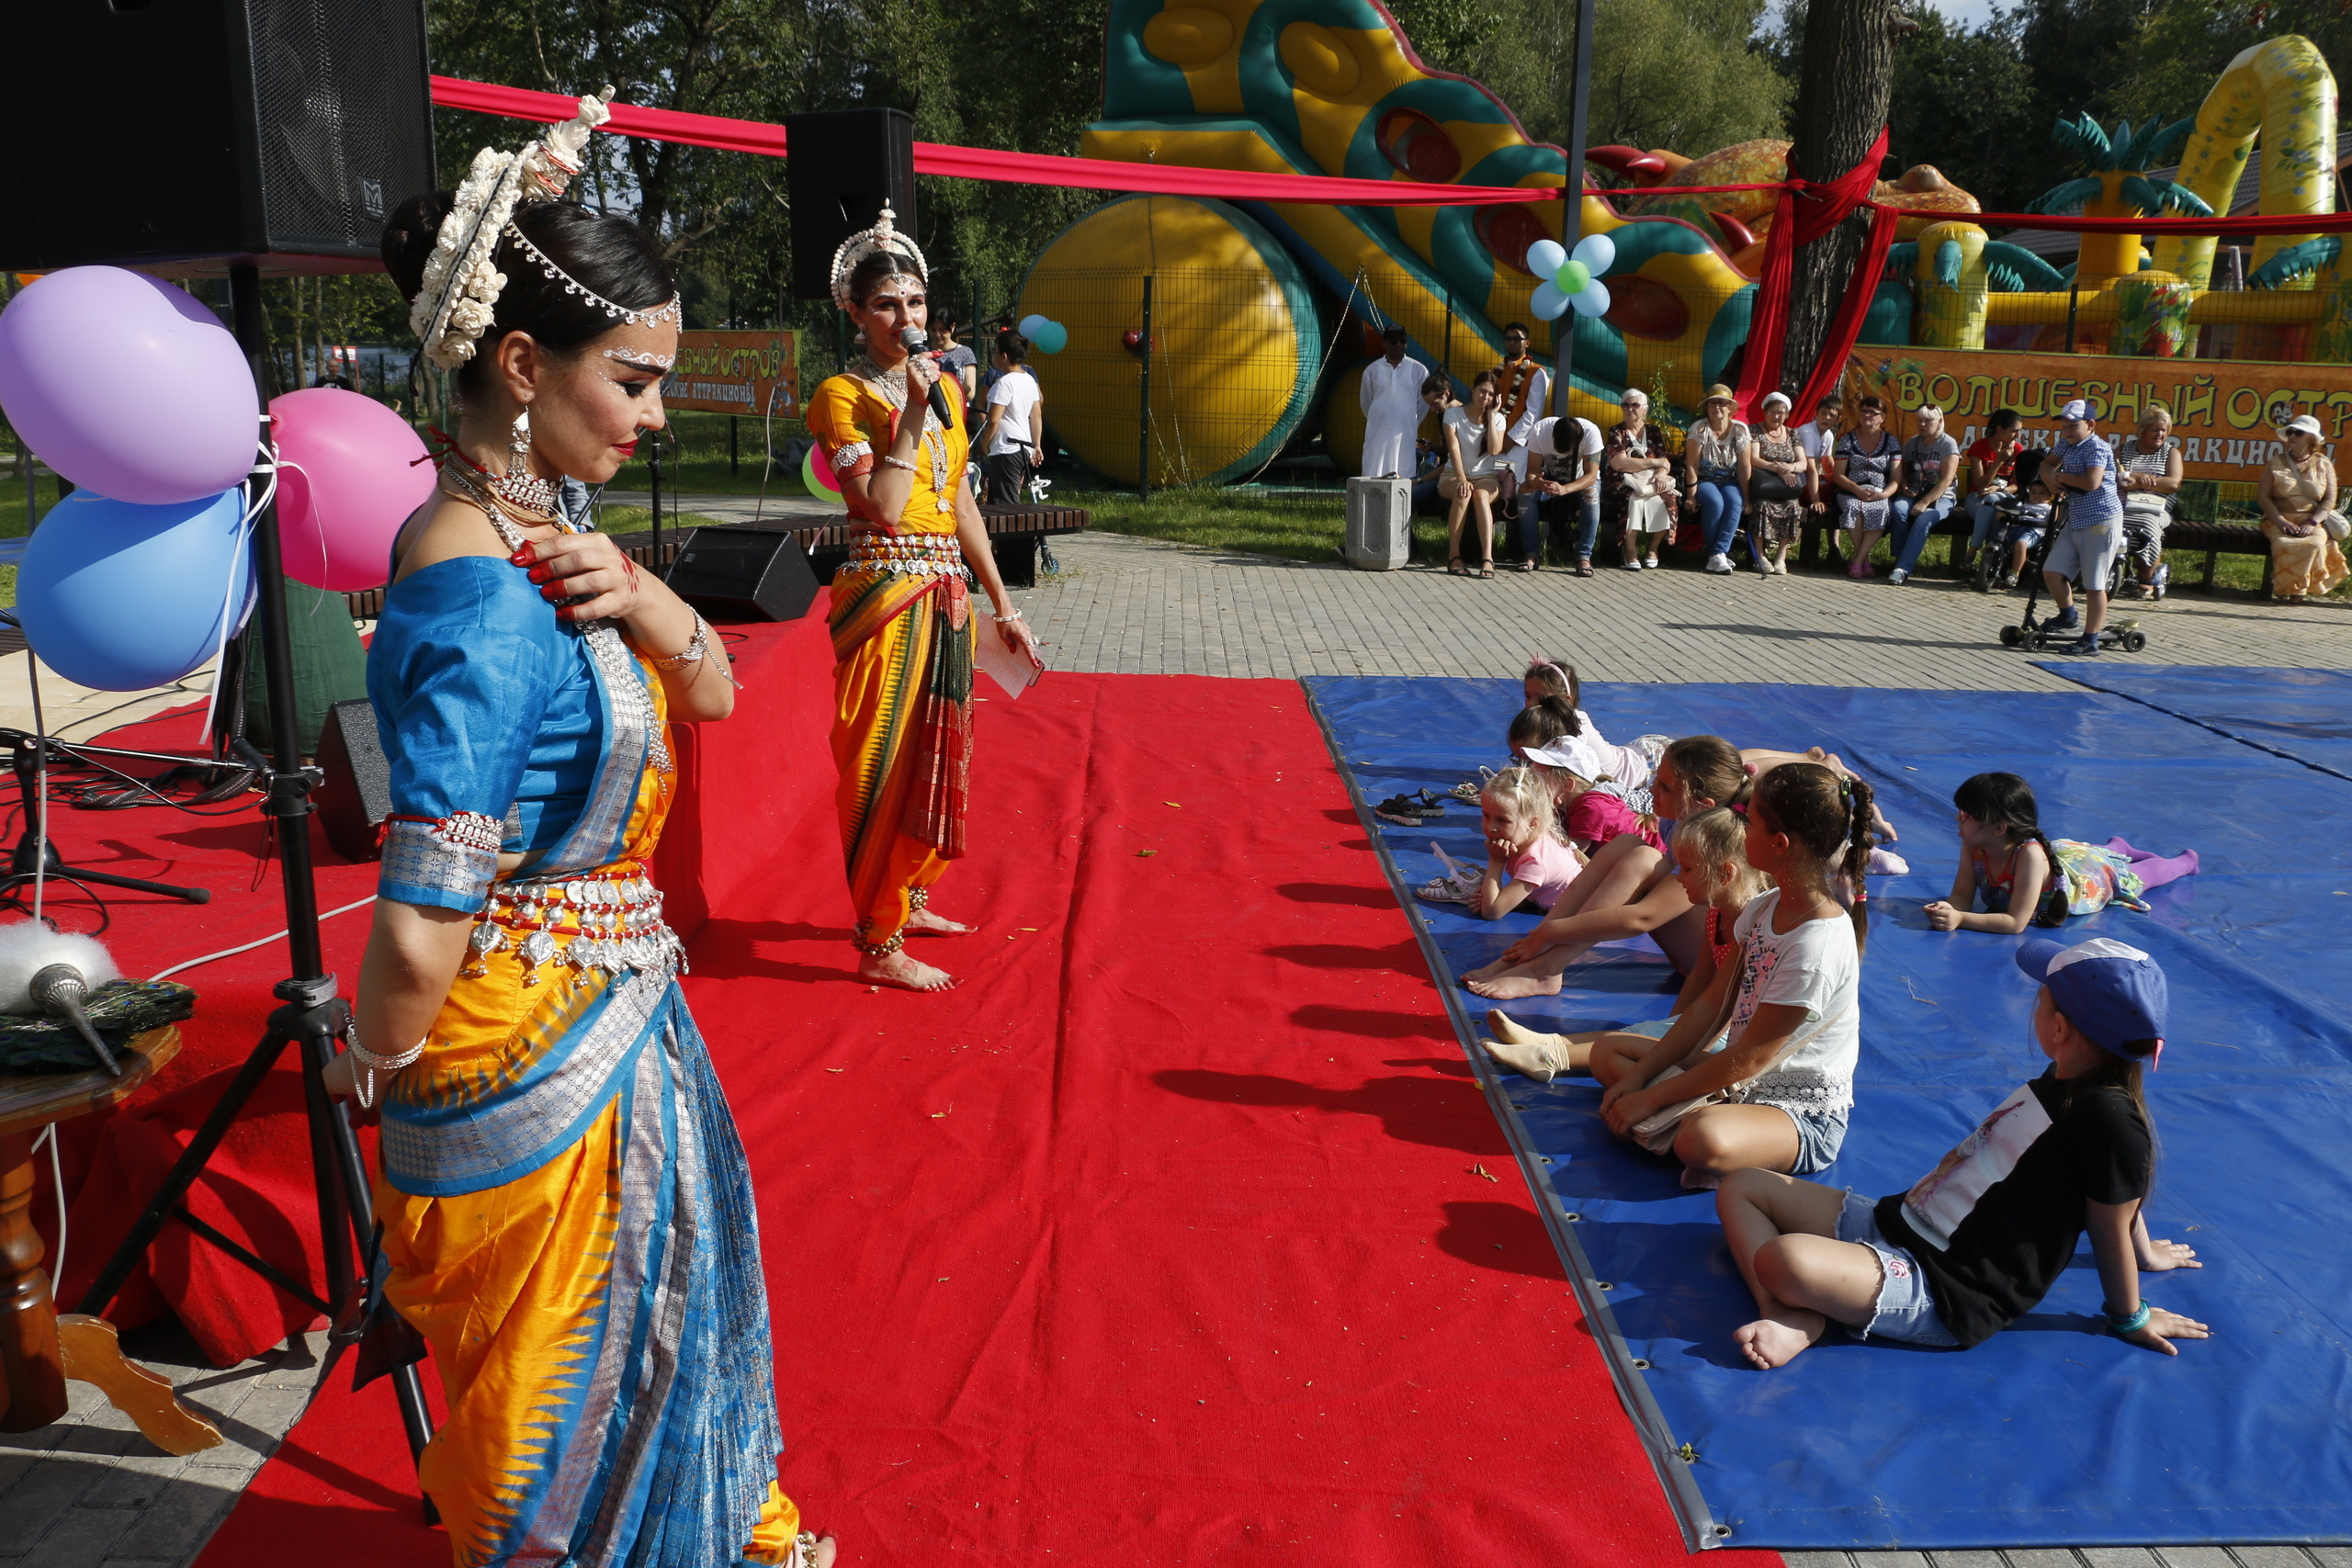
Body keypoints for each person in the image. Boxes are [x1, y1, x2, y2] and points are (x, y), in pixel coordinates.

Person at [346, 96, 831, 1566]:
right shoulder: (479, 592)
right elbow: (427, 908)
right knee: (560, 1400)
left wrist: (656, 603)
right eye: (635, 378)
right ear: (520, 364)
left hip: (608, 1015)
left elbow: (725, 691)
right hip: (526, 1043)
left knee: (654, 1348)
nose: (659, 412)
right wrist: (377, 1064)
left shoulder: (548, 541)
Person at [1716, 937, 2207, 1367]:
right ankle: (1787, 1312)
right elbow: (2111, 1189)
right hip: (1903, 1223)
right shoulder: (2065, 1082)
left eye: (2038, 999)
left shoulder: (2111, 1118)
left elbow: (2110, 1219)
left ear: (2059, 1028)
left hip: (1945, 1286)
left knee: (1781, 1259)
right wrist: (2146, 1253)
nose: (2031, 1009)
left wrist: (2130, 1315)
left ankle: (1802, 1310)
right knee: (1743, 1185)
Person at [806, 209, 1044, 991]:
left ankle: (906, 895)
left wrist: (1003, 602)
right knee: (884, 759)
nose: (904, 318)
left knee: (939, 753)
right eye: (886, 305)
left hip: (946, 594)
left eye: (913, 303)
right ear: (854, 310)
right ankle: (877, 941)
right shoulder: (840, 395)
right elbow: (878, 500)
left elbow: (963, 503)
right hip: (884, 595)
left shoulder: (943, 385)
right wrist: (910, 411)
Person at [1594, 762, 1871, 1189]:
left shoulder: (1815, 944)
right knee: (1609, 1053)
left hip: (1797, 1114)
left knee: (1702, 1138)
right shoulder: (1765, 907)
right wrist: (1637, 1079)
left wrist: (1650, 1096)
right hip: (1739, 1086)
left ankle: (1692, 1135)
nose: (1742, 827)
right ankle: (1677, 1126)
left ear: (1779, 844)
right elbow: (1710, 1006)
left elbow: (1754, 1057)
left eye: (1752, 821)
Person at [1484, 806, 1770, 1084]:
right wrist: (1670, 1026)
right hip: (1711, 1025)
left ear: (1726, 874)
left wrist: (1669, 1035)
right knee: (1647, 1033)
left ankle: (1552, 1057)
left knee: (1618, 1054)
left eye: (1687, 869)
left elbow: (1729, 1013)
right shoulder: (1717, 912)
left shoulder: (1748, 925)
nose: (1679, 877)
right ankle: (1550, 1041)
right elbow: (1699, 978)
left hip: (1730, 1042)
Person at [1462, 734, 1751, 998]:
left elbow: (1641, 919)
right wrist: (1546, 933)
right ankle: (1528, 959)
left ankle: (1546, 968)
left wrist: (1551, 933)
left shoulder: (1713, 848)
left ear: (1702, 805)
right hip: (1692, 952)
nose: (1650, 788)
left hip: (1710, 972)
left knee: (1644, 859)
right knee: (1628, 844)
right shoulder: (1676, 821)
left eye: (1663, 787)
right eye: (1655, 778)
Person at [1922, 772, 2197, 933]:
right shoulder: (1974, 846)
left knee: (2134, 877)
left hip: (2086, 881)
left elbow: (2016, 922)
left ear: (1999, 828)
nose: (1958, 819)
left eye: (1966, 815)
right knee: (2083, 853)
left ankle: (2184, 862)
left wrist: (1960, 919)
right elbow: (1961, 896)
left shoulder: (2029, 856)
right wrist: (1949, 907)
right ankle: (2118, 846)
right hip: (2064, 859)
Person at [1441, 764, 1584, 919]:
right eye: (1486, 815)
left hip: (1583, 917)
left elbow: (1492, 912)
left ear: (1532, 823)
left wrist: (1496, 861)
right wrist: (1500, 898)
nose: (1490, 827)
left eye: (1503, 820)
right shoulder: (1533, 837)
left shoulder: (1535, 861)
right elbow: (1539, 891)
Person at [2041, 398, 2124, 653]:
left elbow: (2092, 483)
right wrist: (2051, 481)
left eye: (2072, 426)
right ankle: (2068, 615)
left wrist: (2062, 477)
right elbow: (2047, 465)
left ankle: (2090, 640)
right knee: (2052, 571)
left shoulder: (2097, 448)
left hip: (2101, 521)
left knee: (2094, 584)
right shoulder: (2066, 444)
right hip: (2076, 518)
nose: (2066, 431)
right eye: (2063, 426)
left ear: (2090, 424)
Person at [2258, 413, 2347, 604]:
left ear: (2311, 438)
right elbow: (2263, 497)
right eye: (2290, 432)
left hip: (2312, 519)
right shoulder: (2275, 463)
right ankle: (2287, 588)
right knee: (2284, 543)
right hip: (2277, 519)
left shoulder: (2324, 464)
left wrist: (2314, 521)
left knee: (2315, 543)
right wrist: (2280, 521)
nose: (2292, 436)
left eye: (2298, 432)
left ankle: (2298, 589)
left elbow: (2330, 499)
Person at [1432, 370, 1507, 578]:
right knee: (1462, 493)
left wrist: (1492, 416)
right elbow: (1454, 450)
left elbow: (1494, 450)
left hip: (1486, 477)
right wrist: (1462, 479)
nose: (1486, 397)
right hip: (1453, 474)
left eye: (1491, 394)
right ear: (1472, 389)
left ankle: (1488, 559)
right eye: (1482, 391)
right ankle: (1454, 556)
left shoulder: (1499, 419)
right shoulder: (1453, 414)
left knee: (1481, 495)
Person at [1603, 388, 1679, 570]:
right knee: (1634, 500)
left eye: (1635, 405)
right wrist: (1652, 462)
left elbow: (1664, 460)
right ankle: (1630, 550)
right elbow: (1619, 464)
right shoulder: (1616, 432)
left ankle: (1652, 548)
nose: (1630, 409)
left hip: (1650, 481)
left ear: (1645, 409)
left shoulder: (1653, 431)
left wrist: (1661, 472)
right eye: (1625, 405)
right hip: (1622, 481)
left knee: (1669, 498)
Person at [1884, 403, 1960, 585]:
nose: (1923, 424)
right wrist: (1905, 487)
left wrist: (1924, 502)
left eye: (1928, 420)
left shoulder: (1947, 443)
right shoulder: (1912, 443)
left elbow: (1946, 481)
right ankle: (1900, 558)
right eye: (1919, 420)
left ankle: (1902, 569)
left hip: (1942, 497)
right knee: (1899, 508)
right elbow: (1904, 471)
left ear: (1940, 421)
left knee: (1923, 519)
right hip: (1915, 492)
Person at [1521, 414, 1605, 575]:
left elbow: (1592, 476)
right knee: (1525, 492)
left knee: (1591, 493)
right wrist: (1538, 483)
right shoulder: (1540, 430)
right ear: (1552, 435)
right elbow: (1531, 471)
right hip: (1549, 479)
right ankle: (1531, 553)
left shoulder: (1591, 432)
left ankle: (1584, 555)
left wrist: (1565, 489)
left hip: (1580, 481)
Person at [1494, 322, 1550, 562]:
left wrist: (1511, 439)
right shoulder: (1495, 371)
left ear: (1527, 342)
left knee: (1520, 492)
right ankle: (1499, 549)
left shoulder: (1537, 372)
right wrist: (1496, 438)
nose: (1512, 343)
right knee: (1499, 489)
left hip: (1521, 446)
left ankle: (1524, 551)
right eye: (1508, 339)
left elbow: (1533, 412)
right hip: (1496, 444)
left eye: (1518, 339)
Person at [1682, 384, 1750, 576]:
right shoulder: (1700, 428)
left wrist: (1747, 498)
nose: (1717, 407)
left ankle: (1718, 552)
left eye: (1722, 403)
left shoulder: (1740, 430)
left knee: (1735, 502)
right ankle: (1717, 554)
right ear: (1707, 408)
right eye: (1712, 403)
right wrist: (1691, 496)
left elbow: (1745, 467)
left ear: (1730, 408)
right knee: (1715, 502)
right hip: (1704, 480)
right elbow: (1692, 465)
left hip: (1730, 480)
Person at [1830, 396, 1902, 576]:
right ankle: (1864, 560)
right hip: (1851, 490)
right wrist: (1856, 489)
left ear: (1882, 417)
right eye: (1864, 411)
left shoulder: (1891, 442)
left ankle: (1857, 560)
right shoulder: (1848, 439)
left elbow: (1896, 479)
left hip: (1879, 492)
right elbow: (1838, 474)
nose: (1867, 415)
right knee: (1854, 508)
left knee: (1881, 509)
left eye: (1872, 412)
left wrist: (1883, 495)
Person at [2117, 403, 2183, 601]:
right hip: (2124, 504)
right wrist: (2137, 478)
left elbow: (2173, 483)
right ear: (2142, 430)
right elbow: (2115, 476)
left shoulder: (2171, 453)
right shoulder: (2124, 450)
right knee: (2109, 522)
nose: (2160, 434)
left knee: (2147, 524)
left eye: (2164, 430)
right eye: (2155, 430)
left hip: (2157, 507)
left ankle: (2146, 576)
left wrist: (2141, 481)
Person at [1744, 390, 1810, 576]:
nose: (1776, 416)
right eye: (1772, 411)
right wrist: (1777, 468)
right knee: (1762, 506)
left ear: (1787, 414)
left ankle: (1781, 557)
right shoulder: (1755, 430)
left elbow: (1803, 463)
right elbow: (1754, 458)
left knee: (1792, 506)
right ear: (1765, 412)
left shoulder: (1792, 433)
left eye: (1781, 412)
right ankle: (1760, 556)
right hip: (1763, 485)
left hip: (1786, 487)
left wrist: (1789, 468)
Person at [1959, 408, 2029, 576]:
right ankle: (1993, 568)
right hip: (1977, 498)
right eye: (2014, 431)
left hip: (2004, 497)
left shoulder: (2017, 449)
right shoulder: (1979, 447)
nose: (2017, 436)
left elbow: (2018, 486)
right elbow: (1980, 484)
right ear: (1999, 429)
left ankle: (1971, 555)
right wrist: (1999, 461)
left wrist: (2001, 489)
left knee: (1995, 503)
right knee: (1993, 507)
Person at [979, 333, 1042, 504]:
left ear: (1004, 356)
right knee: (997, 502)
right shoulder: (1029, 379)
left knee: (1006, 505)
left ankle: (1018, 532)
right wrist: (1036, 445)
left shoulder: (1004, 383)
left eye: (995, 351)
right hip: (1023, 448)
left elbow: (993, 420)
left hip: (1005, 449)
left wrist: (985, 444)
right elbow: (1036, 414)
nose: (993, 355)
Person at [1358, 324, 1427, 479]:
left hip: (1405, 433)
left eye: (1402, 341)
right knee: (1373, 472)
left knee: (1403, 473)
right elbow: (1366, 402)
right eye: (1394, 341)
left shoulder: (1419, 370)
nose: (1399, 345)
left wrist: (1410, 420)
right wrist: (1380, 418)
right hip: (1377, 432)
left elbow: (1423, 405)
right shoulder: (1372, 370)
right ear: (1384, 344)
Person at [933, 315, 978, 402]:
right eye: (933, 329)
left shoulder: (964, 352)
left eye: (942, 330)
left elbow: (970, 393)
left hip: (957, 407)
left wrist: (946, 382)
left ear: (952, 327)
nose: (937, 334)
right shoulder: (925, 353)